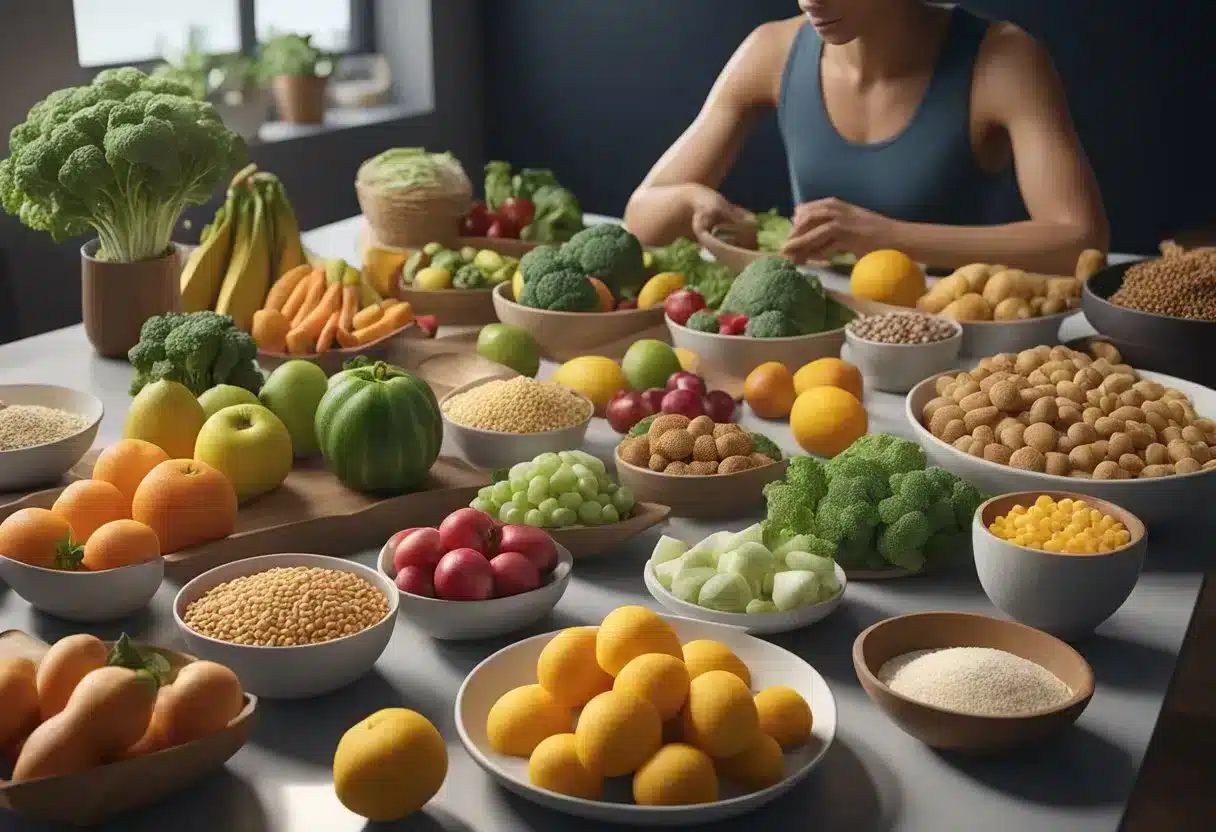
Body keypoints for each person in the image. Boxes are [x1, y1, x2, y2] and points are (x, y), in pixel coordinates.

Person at [624, 0, 1109, 275]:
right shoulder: (771, 50)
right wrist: (694, 200)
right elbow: (642, 216)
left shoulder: (1003, 59)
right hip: (819, 341)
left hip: (959, 350)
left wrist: (889, 238)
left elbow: (1081, 240)